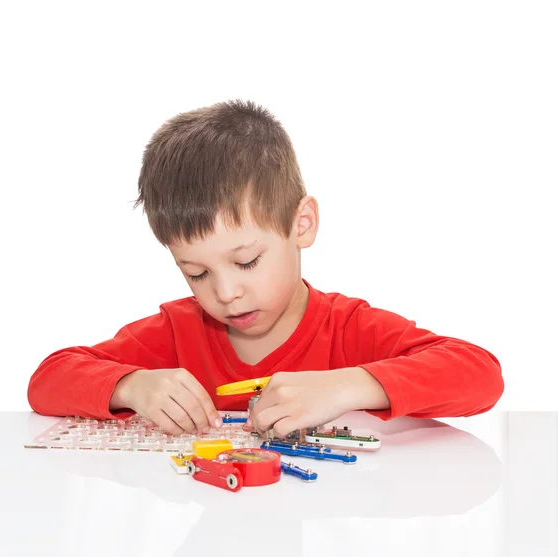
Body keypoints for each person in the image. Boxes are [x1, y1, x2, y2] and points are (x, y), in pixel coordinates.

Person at [27, 100, 503, 438]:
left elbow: (480, 375)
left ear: (302, 224)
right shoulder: (178, 332)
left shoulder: (347, 329)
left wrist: (344, 387)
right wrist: (132, 386)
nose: (226, 292)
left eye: (247, 261)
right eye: (196, 273)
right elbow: (48, 380)